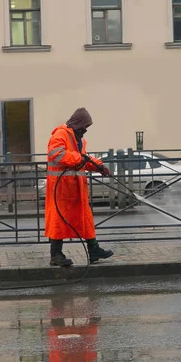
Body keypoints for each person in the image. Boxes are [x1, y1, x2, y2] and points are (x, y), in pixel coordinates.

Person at [45, 107, 115, 267]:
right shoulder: (60, 134)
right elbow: (56, 154)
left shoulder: (79, 140)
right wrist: (79, 160)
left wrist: (98, 166)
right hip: (61, 188)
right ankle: (55, 255)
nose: (86, 130)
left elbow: (83, 158)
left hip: (77, 188)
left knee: (85, 219)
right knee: (59, 220)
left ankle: (94, 250)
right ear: (77, 123)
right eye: (85, 126)